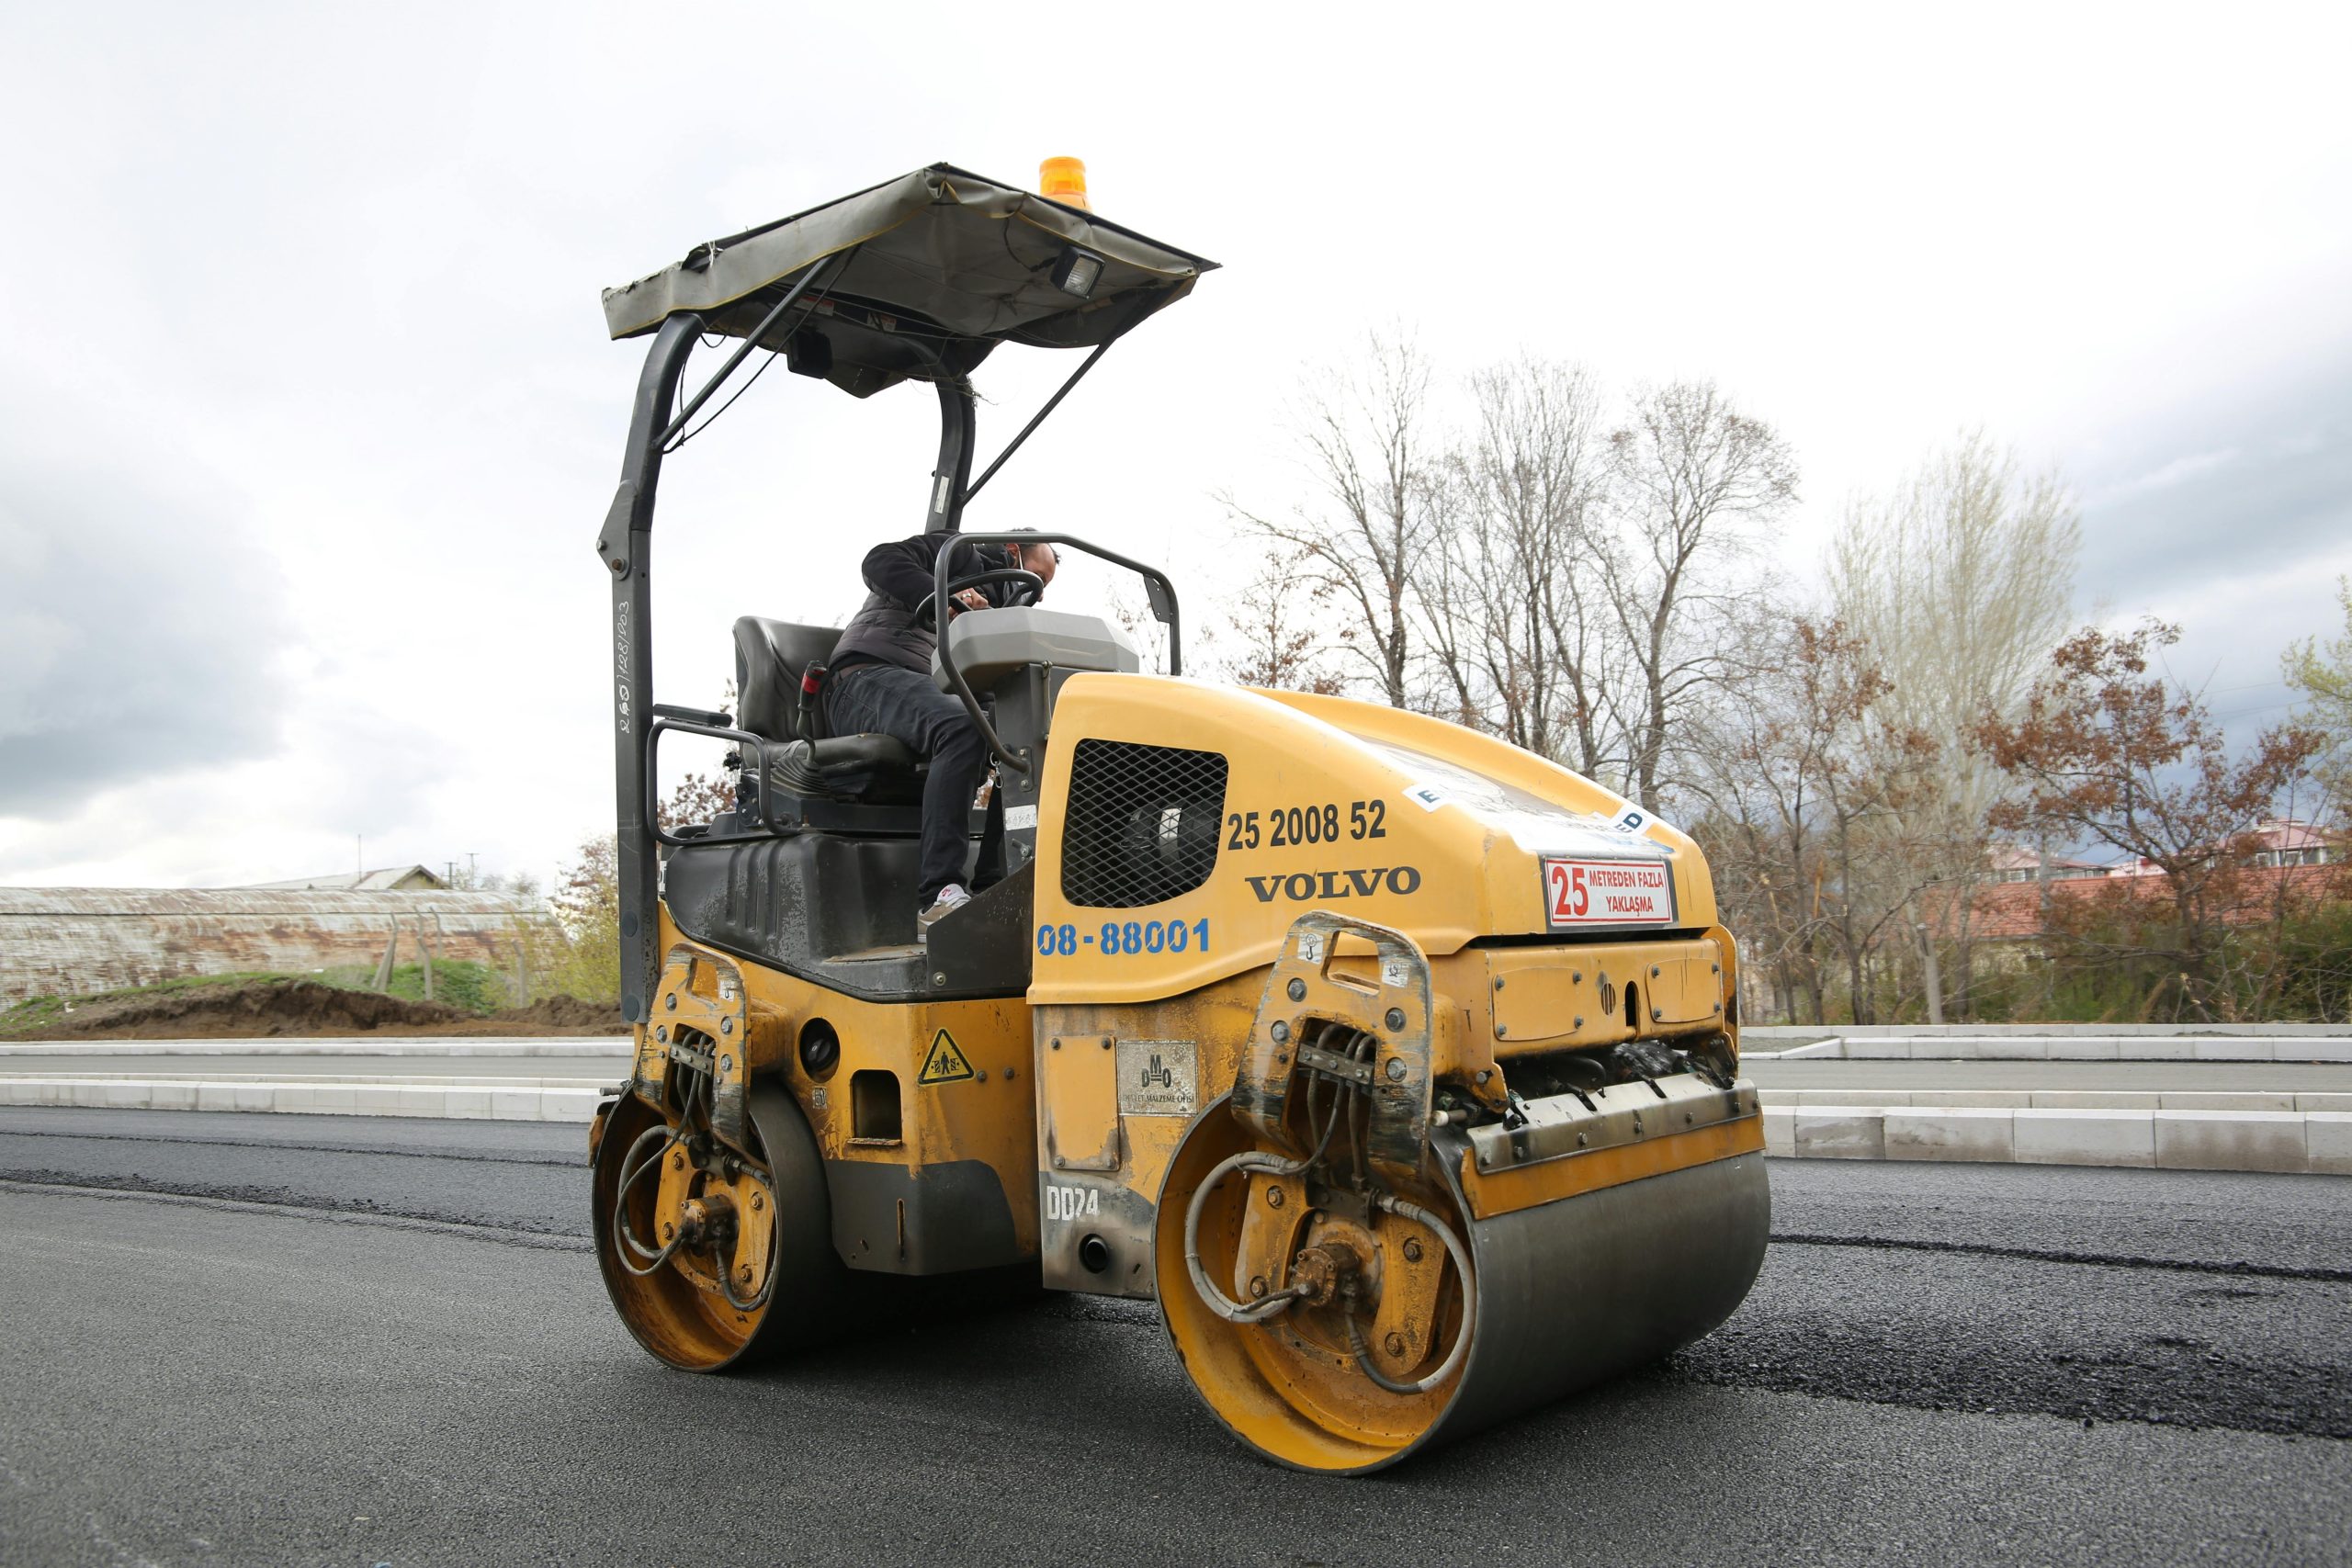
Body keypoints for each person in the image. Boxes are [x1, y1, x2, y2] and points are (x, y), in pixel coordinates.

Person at [824, 530, 1059, 931]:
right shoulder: (956, 551)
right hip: (869, 676)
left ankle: (998, 882)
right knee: (963, 727)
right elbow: (880, 561)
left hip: (937, 688)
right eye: (1032, 576)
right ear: (1012, 551)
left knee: (1031, 736)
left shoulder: (1002, 606)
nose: (1032, 593)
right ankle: (939, 895)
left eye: (1041, 589)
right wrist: (946, 599)